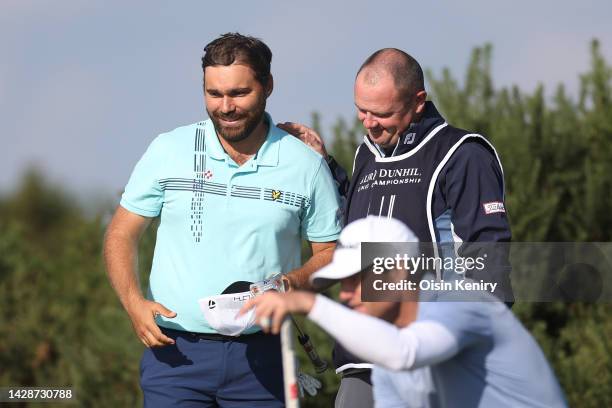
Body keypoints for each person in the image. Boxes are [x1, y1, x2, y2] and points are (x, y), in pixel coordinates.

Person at [103, 32, 342, 407]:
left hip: (264, 356)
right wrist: (133, 303)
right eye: (214, 94)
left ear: (268, 86)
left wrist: (292, 282)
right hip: (174, 354)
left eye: (239, 93)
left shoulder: (306, 164)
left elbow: (331, 253)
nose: (226, 106)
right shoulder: (168, 149)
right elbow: (121, 233)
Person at [279, 48, 513, 407]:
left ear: (418, 101)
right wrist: (325, 165)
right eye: (362, 110)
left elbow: (489, 259)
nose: (369, 123)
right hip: (362, 361)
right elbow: (358, 223)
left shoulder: (463, 153)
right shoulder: (366, 155)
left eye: (382, 113)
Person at [240, 216, 567, 408]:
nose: (347, 294)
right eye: (342, 283)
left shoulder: (463, 302)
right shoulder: (384, 356)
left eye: (357, 279)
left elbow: (405, 353)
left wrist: (309, 303)